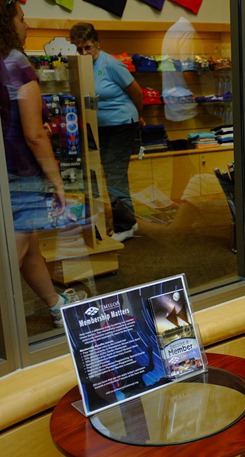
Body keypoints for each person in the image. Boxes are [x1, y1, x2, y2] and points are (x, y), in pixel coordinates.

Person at [1, 0, 86, 328]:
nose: (27, 25)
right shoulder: (15, 62)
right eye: (21, 19)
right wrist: (57, 181)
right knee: (12, 257)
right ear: (7, 23)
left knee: (29, 244)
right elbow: (34, 134)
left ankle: (56, 304)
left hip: (6, 171)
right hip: (21, 172)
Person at [69, 22, 144, 242]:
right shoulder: (81, 66)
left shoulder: (111, 64)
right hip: (99, 127)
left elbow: (137, 93)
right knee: (106, 175)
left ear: (97, 44)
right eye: (79, 49)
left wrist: (138, 118)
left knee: (114, 175)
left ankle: (126, 225)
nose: (84, 53)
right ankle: (125, 220)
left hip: (122, 124)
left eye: (88, 48)